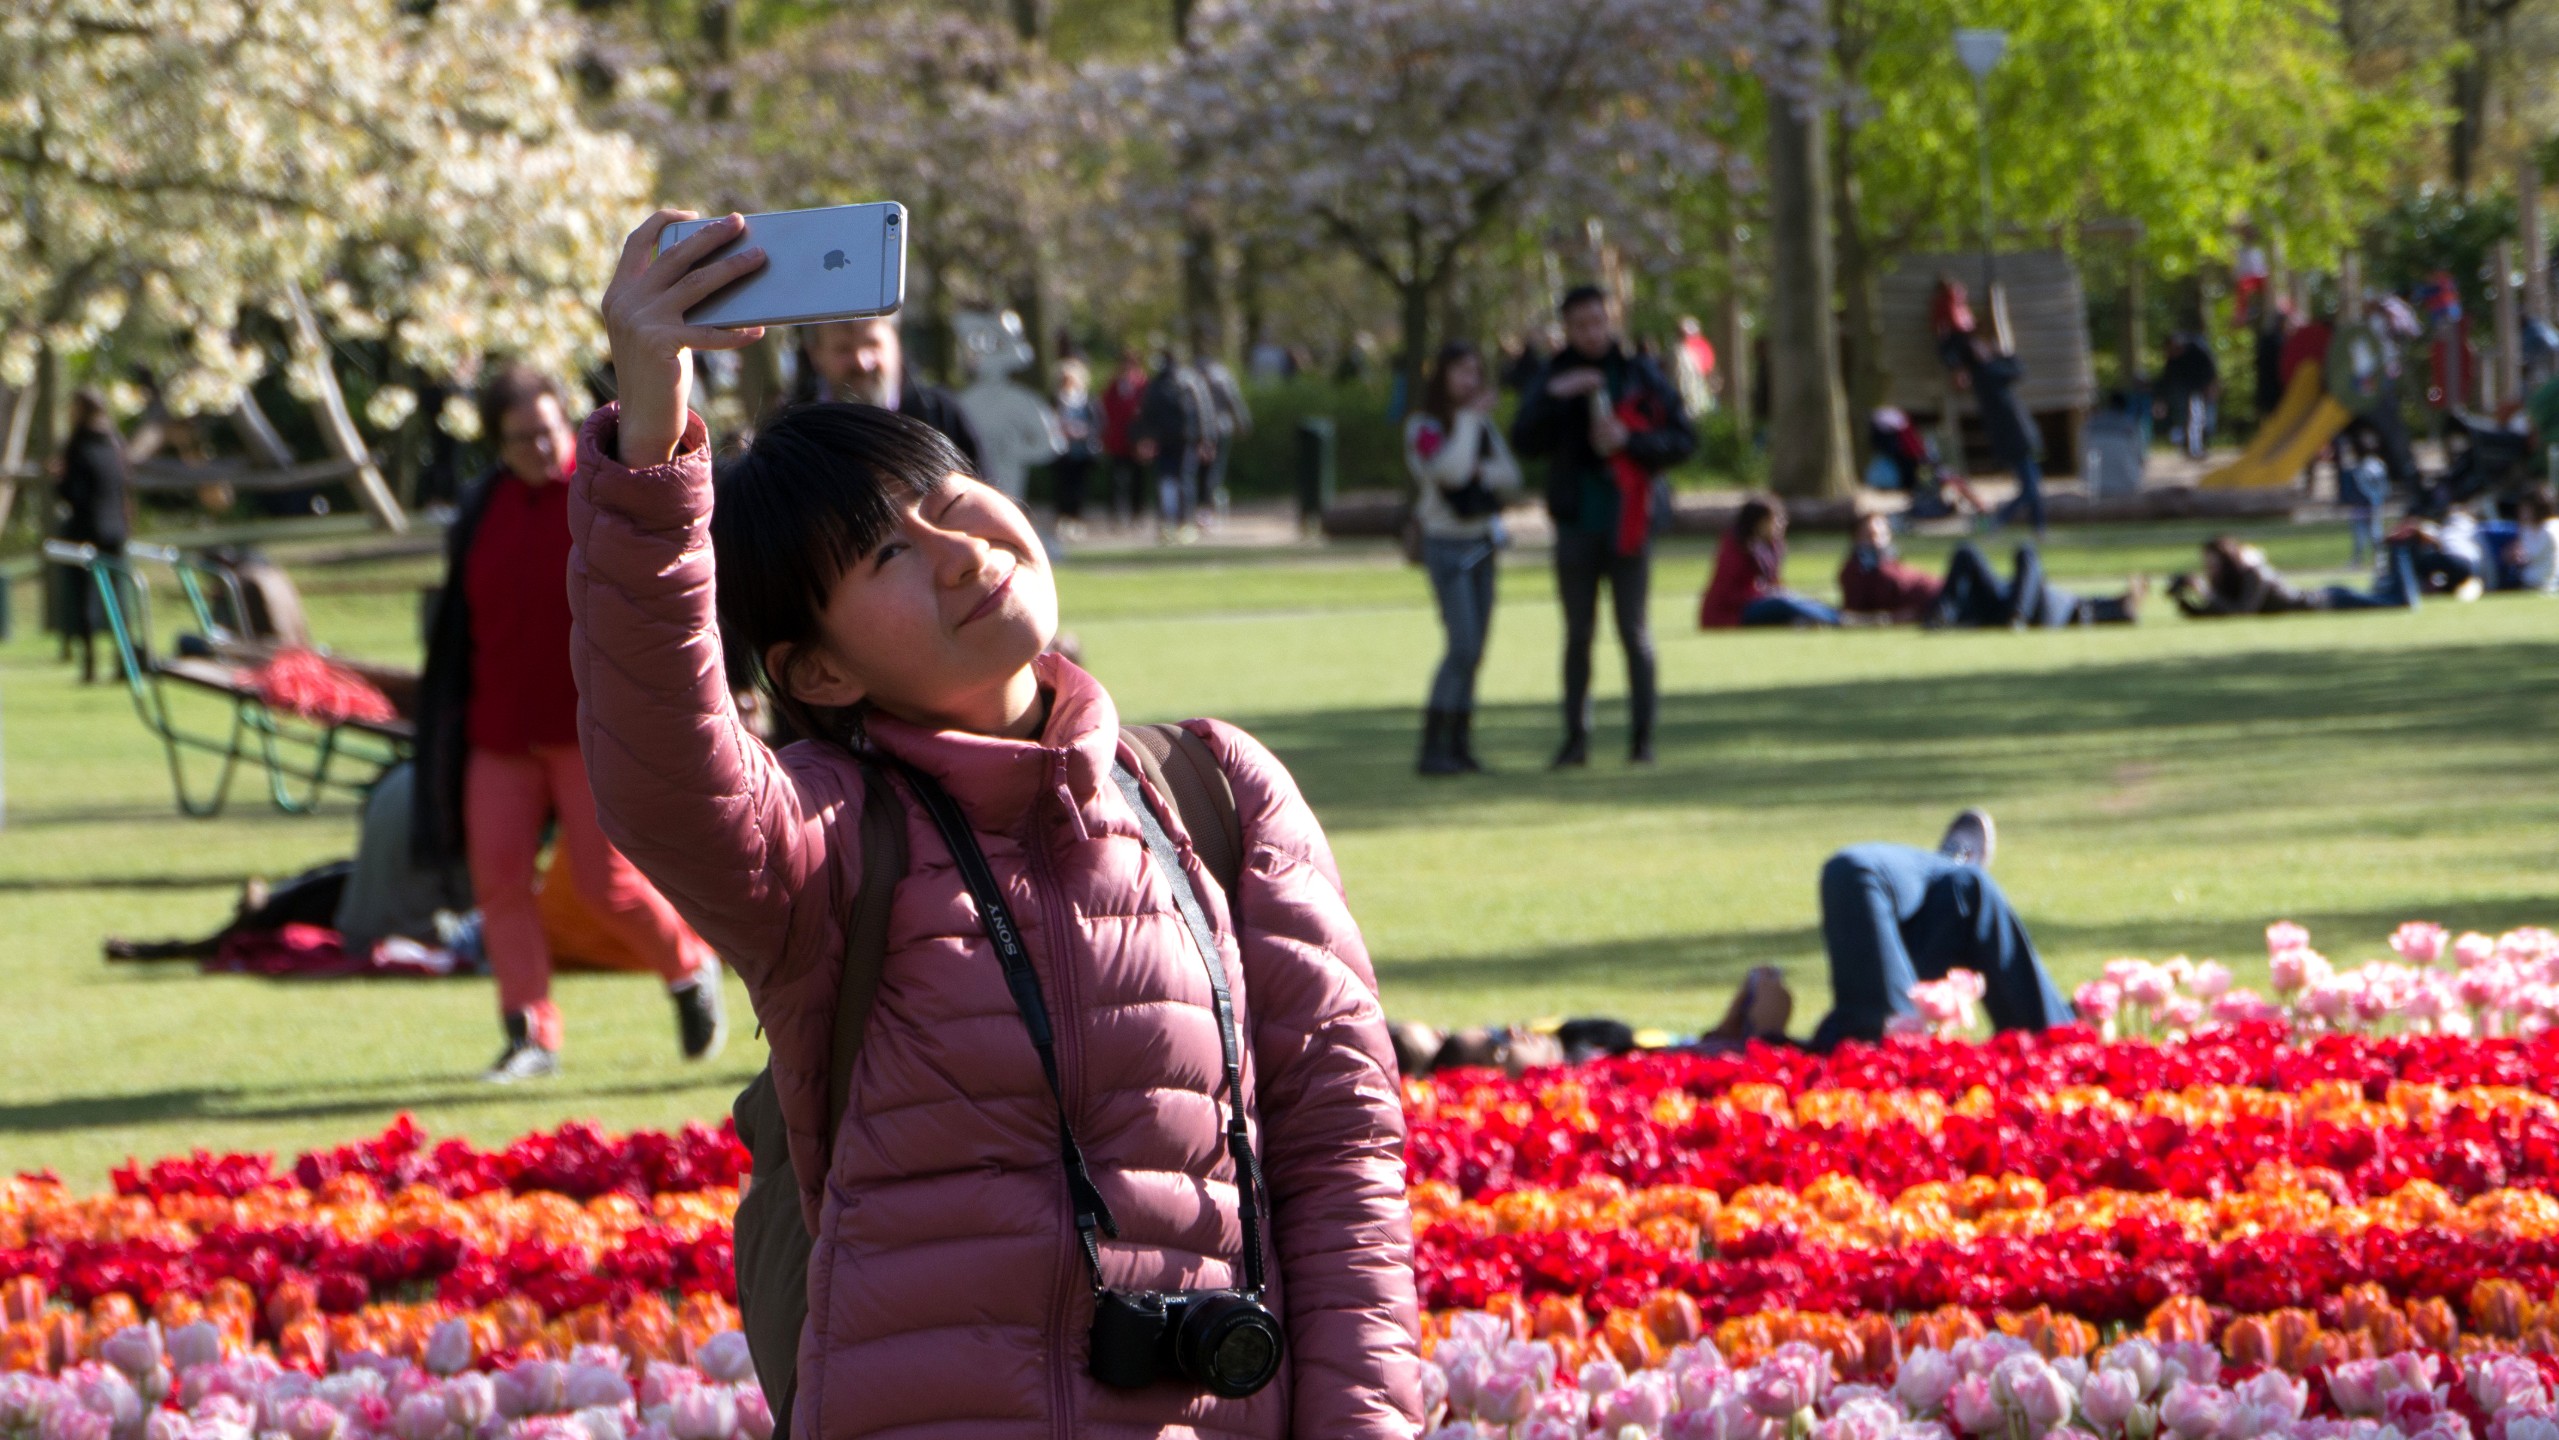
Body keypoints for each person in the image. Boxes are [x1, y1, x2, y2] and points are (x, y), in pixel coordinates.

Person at [582, 210, 1421, 1436]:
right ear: (816, 672)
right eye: (884, 553)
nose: (954, 550)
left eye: (947, 498)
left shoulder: (1217, 794)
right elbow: (666, 764)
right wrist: (652, 438)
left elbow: (1341, 1157)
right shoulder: (823, 842)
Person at [413, 366, 725, 1082]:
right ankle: (531, 1035)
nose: (538, 444)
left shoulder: (602, 494)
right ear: (497, 442)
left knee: (604, 884)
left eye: (548, 429)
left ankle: (687, 967)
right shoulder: (483, 506)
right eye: (520, 436)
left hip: (589, 726)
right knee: (499, 884)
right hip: (499, 732)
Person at [1512, 285, 1697, 766]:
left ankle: (1642, 741)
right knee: (1578, 635)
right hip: (1576, 523)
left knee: (1634, 633)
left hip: (1630, 522)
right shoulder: (1554, 375)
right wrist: (1555, 396)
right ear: (1568, 329)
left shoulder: (1640, 372)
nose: (1592, 333)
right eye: (1581, 325)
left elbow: (1683, 439)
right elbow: (1524, 439)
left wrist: (1629, 440)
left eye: (1598, 322)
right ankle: (1576, 741)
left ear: (1611, 320)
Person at [1808, 809, 2077, 1050]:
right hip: (1876, 1060)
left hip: (1857, 1050)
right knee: (1854, 869)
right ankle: (1950, 865)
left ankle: (2063, 1041)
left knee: (1960, 893)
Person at [1406, 342, 1523, 776]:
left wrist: (1481, 465)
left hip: (1482, 543)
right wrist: (1471, 422)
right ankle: (1433, 747)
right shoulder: (1423, 426)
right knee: (1462, 645)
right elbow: (1450, 472)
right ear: (1442, 376)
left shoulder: (1483, 426)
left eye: (1474, 371)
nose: (1469, 380)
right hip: (1446, 545)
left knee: (1477, 650)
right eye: (1459, 371)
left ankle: (1460, 744)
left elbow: (1511, 477)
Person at [790, 316, 984, 469]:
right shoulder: (795, 434)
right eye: (843, 349)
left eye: (872, 344)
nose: (861, 362)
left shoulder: (939, 415)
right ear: (815, 354)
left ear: (896, 341)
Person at [1941, 313, 2046, 536]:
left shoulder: (1986, 371)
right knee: (2030, 487)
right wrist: (2002, 353)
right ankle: (1997, 520)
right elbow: (2018, 369)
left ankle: (2039, 528)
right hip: (2013, 437)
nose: (1983, 348)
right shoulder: (1986, 373)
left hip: (2018, 434)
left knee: (2034, 485)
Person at [53, 388, 132, 684]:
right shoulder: (115, 442)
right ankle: (124, 661)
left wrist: (58, 479)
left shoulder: (78, 445)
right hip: (116, 528)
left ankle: (89, 665)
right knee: (118, 597)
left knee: (85, 597)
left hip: (86, 528)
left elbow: (72, 493)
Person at [2167, 534, 2421, 616]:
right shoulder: (2228, 581)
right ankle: (2397, 557)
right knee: (2387, 597)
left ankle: (2400, 548)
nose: (2209, 570)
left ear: (2227, 561)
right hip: (2325, 596)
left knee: (2399, 603)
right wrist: (2186, 601)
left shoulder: (2255, 574)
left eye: (2213, 564)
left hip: (2329, 601)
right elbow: (2219, 612)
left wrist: (2205, 592)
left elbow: (2243, 611)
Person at [1697, 495, 1839, 628]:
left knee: (1799, 599)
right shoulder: (1736, 547)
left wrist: (1774, 592)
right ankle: (1837, 621)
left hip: (1756, 602)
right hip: (1730, 614)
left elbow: (1773, 582)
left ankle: (1836, 616)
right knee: (1781, 603)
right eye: (1775, 519)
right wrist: (1764, 593)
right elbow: (1727, 594)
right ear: (1758, 523)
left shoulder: (1771, 547)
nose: (1781, 523)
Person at [1136, 348, 1214, 537]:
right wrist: (1205, 439)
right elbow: (1203, 410)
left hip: (1178, 440)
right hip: (1180, 440)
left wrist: (1146, 439)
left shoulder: (1167, 383)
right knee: (1178, 481)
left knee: (1172, 481)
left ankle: (1174, 523)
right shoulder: (1187, 382)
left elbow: (1147, 414)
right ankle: (1177, 523)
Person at [1837, 513, 1944, 623]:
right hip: (1936, 603)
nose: (1877, 542)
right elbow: (1852, 614)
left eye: (1883, 535)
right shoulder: (1856, 571)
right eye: (1870, 536)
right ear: (1856, 538)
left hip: (1942, 592)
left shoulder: (1890, 563)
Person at [1098, 345, 1149, 525]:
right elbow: (1105, 409)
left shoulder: (1143, 384)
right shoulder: (1114, 385)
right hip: (1117, 440)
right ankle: (1116, 513)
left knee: (1138, 480)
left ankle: (1137, 513)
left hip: (1137, 441)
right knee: (1117, 480)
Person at [1051, 356, 1098, 539]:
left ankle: (1077, 520)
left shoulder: (1088, 401)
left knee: (1079, 488)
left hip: (1081, 452)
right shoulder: (1056, 400)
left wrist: (1084, 431)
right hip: (1061, 452)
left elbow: (1097, 424)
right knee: (1062, 488)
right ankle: (1063, 520)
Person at [1200, 354, 1252, 520]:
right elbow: (1234, 401)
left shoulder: (1197, 376)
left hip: (1202, 429)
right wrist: (1244, 423)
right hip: (1222, 427)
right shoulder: (1222, 376)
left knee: (1204, 469)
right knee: (1216, 467)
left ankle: (1207, 504)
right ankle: (1212, 503)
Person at [2157, 333, 2219, 461]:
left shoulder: (2198, 350)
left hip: (2199, 388)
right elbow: (2167, 379)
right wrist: (2162, 399)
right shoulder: (2172, 359)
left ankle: (2196, 448)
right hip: (2184, 390)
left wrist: (2211, 385)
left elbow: (2210, 369)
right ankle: (2190, 448)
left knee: (2198, 419)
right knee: (2187, 419)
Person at [2504, 489, 2559, 594]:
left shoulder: (2550, 529)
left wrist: (2515, 554)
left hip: (2547, 586)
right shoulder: (2527, 529)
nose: (2521, 512)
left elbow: (2528, 555)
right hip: (2527, 583)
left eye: (2526, 508)